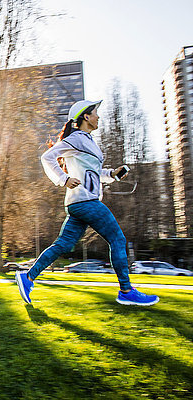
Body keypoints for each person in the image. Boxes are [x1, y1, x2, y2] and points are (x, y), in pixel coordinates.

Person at [16, 99, 159, 306]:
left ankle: (27, 278)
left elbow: (91, 172)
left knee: (63, 244)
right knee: (118, 240)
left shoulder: (87, 140)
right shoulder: (77, 139)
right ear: (85, 116)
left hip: (77, 204)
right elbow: (47, 157)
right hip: (87, 201)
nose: (98, 117)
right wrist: (63, 179)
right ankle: (126, 291)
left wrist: (112, 174)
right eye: (95, 113)